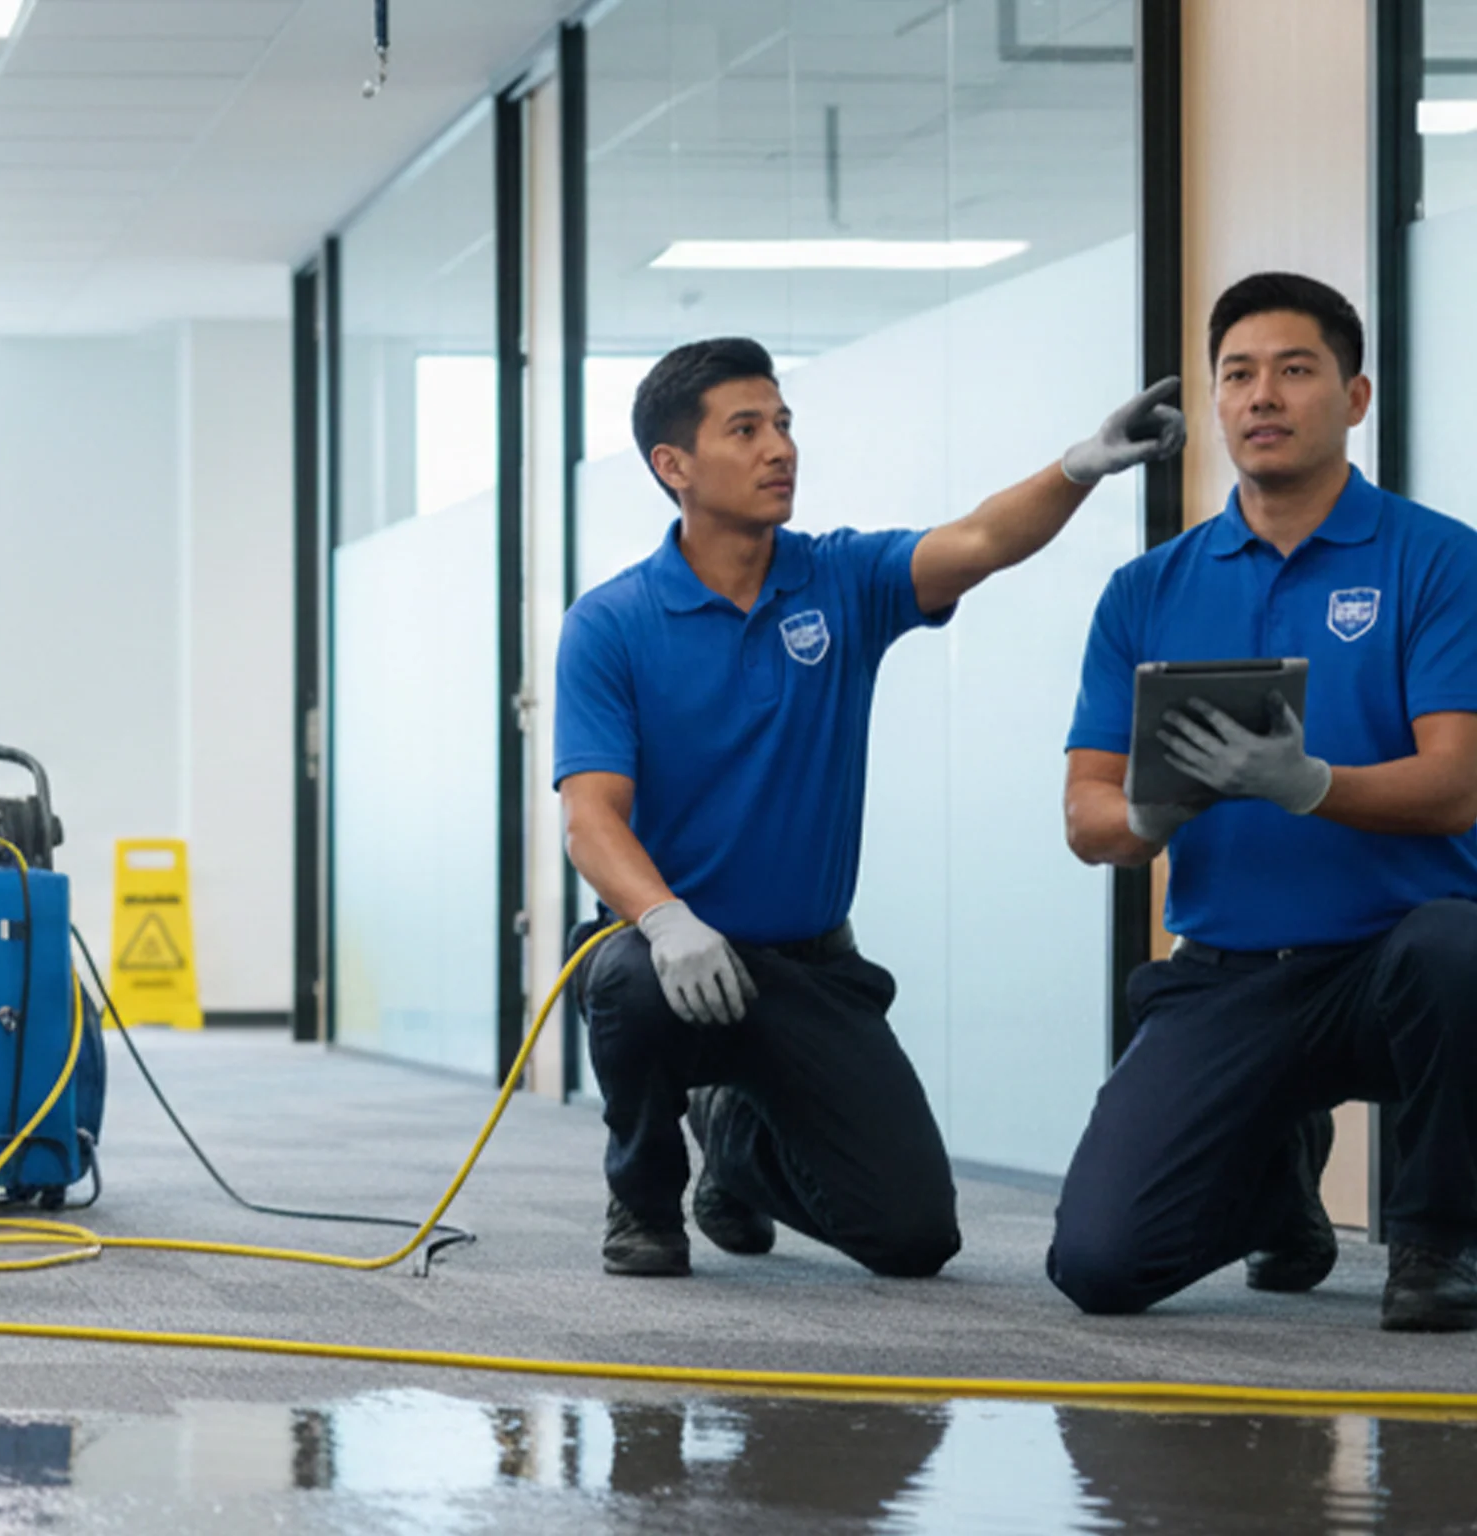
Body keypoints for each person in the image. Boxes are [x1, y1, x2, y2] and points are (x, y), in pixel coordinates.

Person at [556, 337, 1184, 1279]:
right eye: (747, 429)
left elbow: (975, 542)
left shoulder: (841, 582)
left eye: (783, 425)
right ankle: (644, 1201)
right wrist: (664, 917)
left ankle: (735, 1147)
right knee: (627, 982)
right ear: (673, 466)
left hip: (813, 970)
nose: (781, 448)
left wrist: (1078, 468)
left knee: (913, 1236)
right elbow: (590, 818)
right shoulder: (612, 623)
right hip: (678, 956)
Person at [1048, 272, 1477, 1331]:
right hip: (1231, 974)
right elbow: (1087, 821)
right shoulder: (1149, 589)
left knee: (1458, 948)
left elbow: (1456, 785)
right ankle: (1273, 1178)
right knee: (1100, 1267)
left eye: (1295, 371)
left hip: (1393, 969)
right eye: (1237, 375)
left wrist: (1309, 786)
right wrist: (1156, 813)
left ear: (1355, 397)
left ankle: (1437, 1242)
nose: (1262, 397)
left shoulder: (1437, 561)